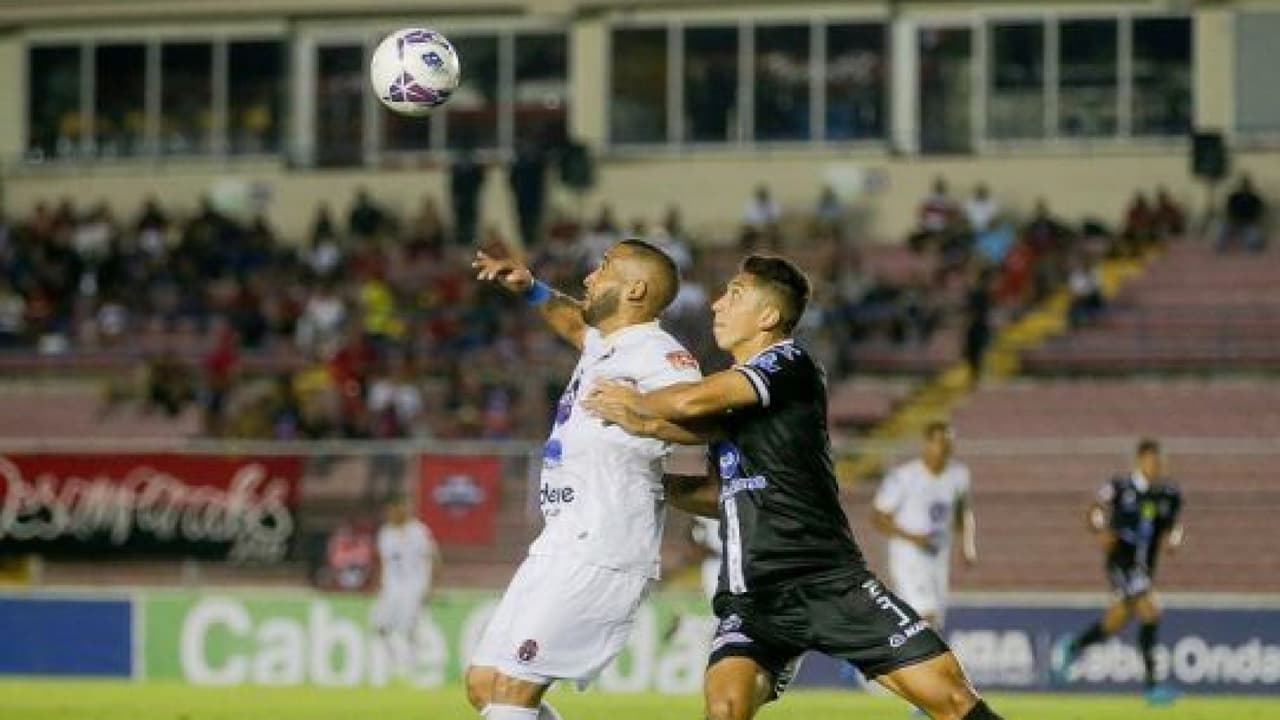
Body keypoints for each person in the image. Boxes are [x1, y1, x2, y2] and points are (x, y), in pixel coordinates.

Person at [584, 255, 1002, 720]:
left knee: (954, 701)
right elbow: (721, 496)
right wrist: (652, 486)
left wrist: (636, 406)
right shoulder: (731, 410)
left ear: (768, 317)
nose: (717, 305)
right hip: (755, 598)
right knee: (725, 707)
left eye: (734, 295)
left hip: (830, 582)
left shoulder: (788, 362)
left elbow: (688, 399)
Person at [465, 240, 704, 720]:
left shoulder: (663, 357)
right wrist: (532, 289)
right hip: (563, 537)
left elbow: (700, 422)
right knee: (485, 685)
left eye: (604, 268)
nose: (591, 277)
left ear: (635, 288)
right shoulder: (606, 342)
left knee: (513, 689)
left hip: (605, 542)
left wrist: (642, 418)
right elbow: (574, 322)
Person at [1052, 438, 1185, 705]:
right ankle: (1153, 688)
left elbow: (1175, 526)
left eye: (1159, 462)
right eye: (1151, 461)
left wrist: (1174, 539)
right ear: (1140, 460)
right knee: (1150, 609)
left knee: (1117, 619)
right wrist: (1100, 529)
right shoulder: (1119, 487)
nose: (1156, 466)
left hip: (1144, 567)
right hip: (1120, 561)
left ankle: (1073, 647)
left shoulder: (1168, 494)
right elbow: (1094, 509)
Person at [872, 422, 977, 631]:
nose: (945, 447)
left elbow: (963, 512)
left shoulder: (959, 475)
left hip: (938, 556)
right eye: (939, 442)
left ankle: (891, 661)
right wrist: (913, 538)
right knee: (924, 618)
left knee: (930, 623)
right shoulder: (904, 476)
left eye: (949, 442)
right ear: (927, 444)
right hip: (909, 557)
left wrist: (967, 545)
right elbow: (878, 517)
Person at [372, 497, 439, 679]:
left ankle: (413, 663)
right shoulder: (385, 533)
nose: (391, 514)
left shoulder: (419, 531)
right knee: (380, 626)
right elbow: (384, 562)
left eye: (395, 510)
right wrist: (381, 585)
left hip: (414, 586)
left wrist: (429, 585)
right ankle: (393, 660)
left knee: (409, 627)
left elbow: (430, 557)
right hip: (392, 588)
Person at [1219, 174, 1267, 253]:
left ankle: (1252, 248)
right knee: (1223, 229)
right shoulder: (1234, 197)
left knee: (1253, 238)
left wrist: (1251, 221)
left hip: (1249, 224)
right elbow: (1229, 210)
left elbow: (1258, 213)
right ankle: (1221, 248)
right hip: (1234, 222)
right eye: (1243, 185)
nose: (1245, 187)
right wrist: (1234, 220)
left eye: (1246, 185)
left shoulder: (1254, 199)